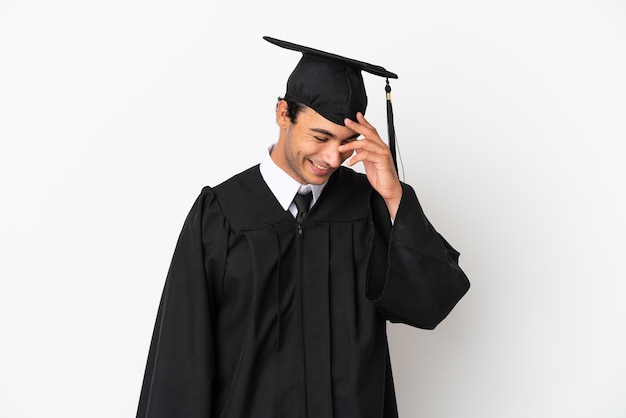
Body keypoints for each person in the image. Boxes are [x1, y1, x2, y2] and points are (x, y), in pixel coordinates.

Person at [136, 36, 470, 418]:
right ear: (283, 114)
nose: (332, 158)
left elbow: (430, 305)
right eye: (320, 136)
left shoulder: (367, 207)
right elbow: (181, 356)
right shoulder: (222, 213)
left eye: (346, 143)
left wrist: (395, 198)